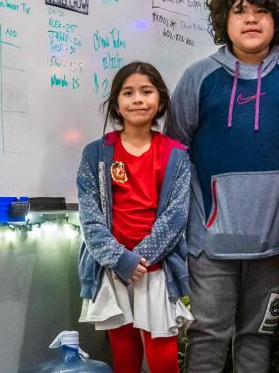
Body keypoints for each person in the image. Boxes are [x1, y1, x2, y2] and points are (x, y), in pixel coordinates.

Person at [165, 0, 279, 373]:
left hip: (275, 243)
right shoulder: (198, 78)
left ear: (276, 21)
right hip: (210, 243)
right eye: (240, 11)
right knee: (207, 335)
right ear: (224, 21)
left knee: (257, 337)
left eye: (261, 11)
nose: (251, 20)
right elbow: (175, 154)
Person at [77, 61, 193, 373]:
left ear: (160, 100)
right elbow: (89, 219)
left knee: (163, 357)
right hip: (112, 270)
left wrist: (139, 260)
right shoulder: (95, 154)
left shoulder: (176, 154)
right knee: (124, 354)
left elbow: (176, 216)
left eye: (146, 91)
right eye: (128, 93)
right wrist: (120, 260)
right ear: (116, 102)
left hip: (156, 270)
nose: (137, 99)